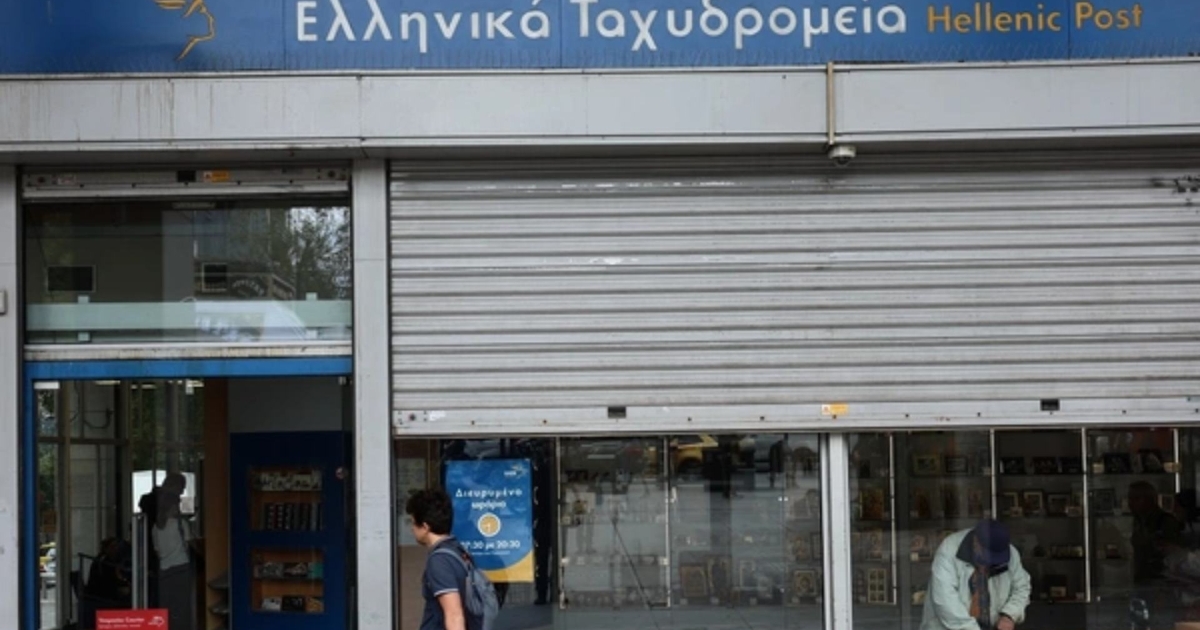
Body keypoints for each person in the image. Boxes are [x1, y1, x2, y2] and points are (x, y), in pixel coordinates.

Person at [920, 519, 1031, 630]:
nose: (991, 563)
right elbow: (946, 602)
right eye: (988, 556)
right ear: (976, 542)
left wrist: (1009, 615)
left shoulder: (1009, 553)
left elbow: (1022, 586)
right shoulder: (948, 550)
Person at [407, 488, 470, 630]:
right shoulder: (458, 551)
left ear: (425, 527)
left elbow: (454, 615)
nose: (412, 529)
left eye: (413, 523)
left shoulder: (440, 561)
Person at [152, 473, 195, 630]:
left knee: (167, 606)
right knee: (182, 605)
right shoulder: (181, 524)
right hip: (181, 567)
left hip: (164, 569)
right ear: (173, 506)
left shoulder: (156, 527)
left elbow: (157, 550)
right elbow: (188, 544)